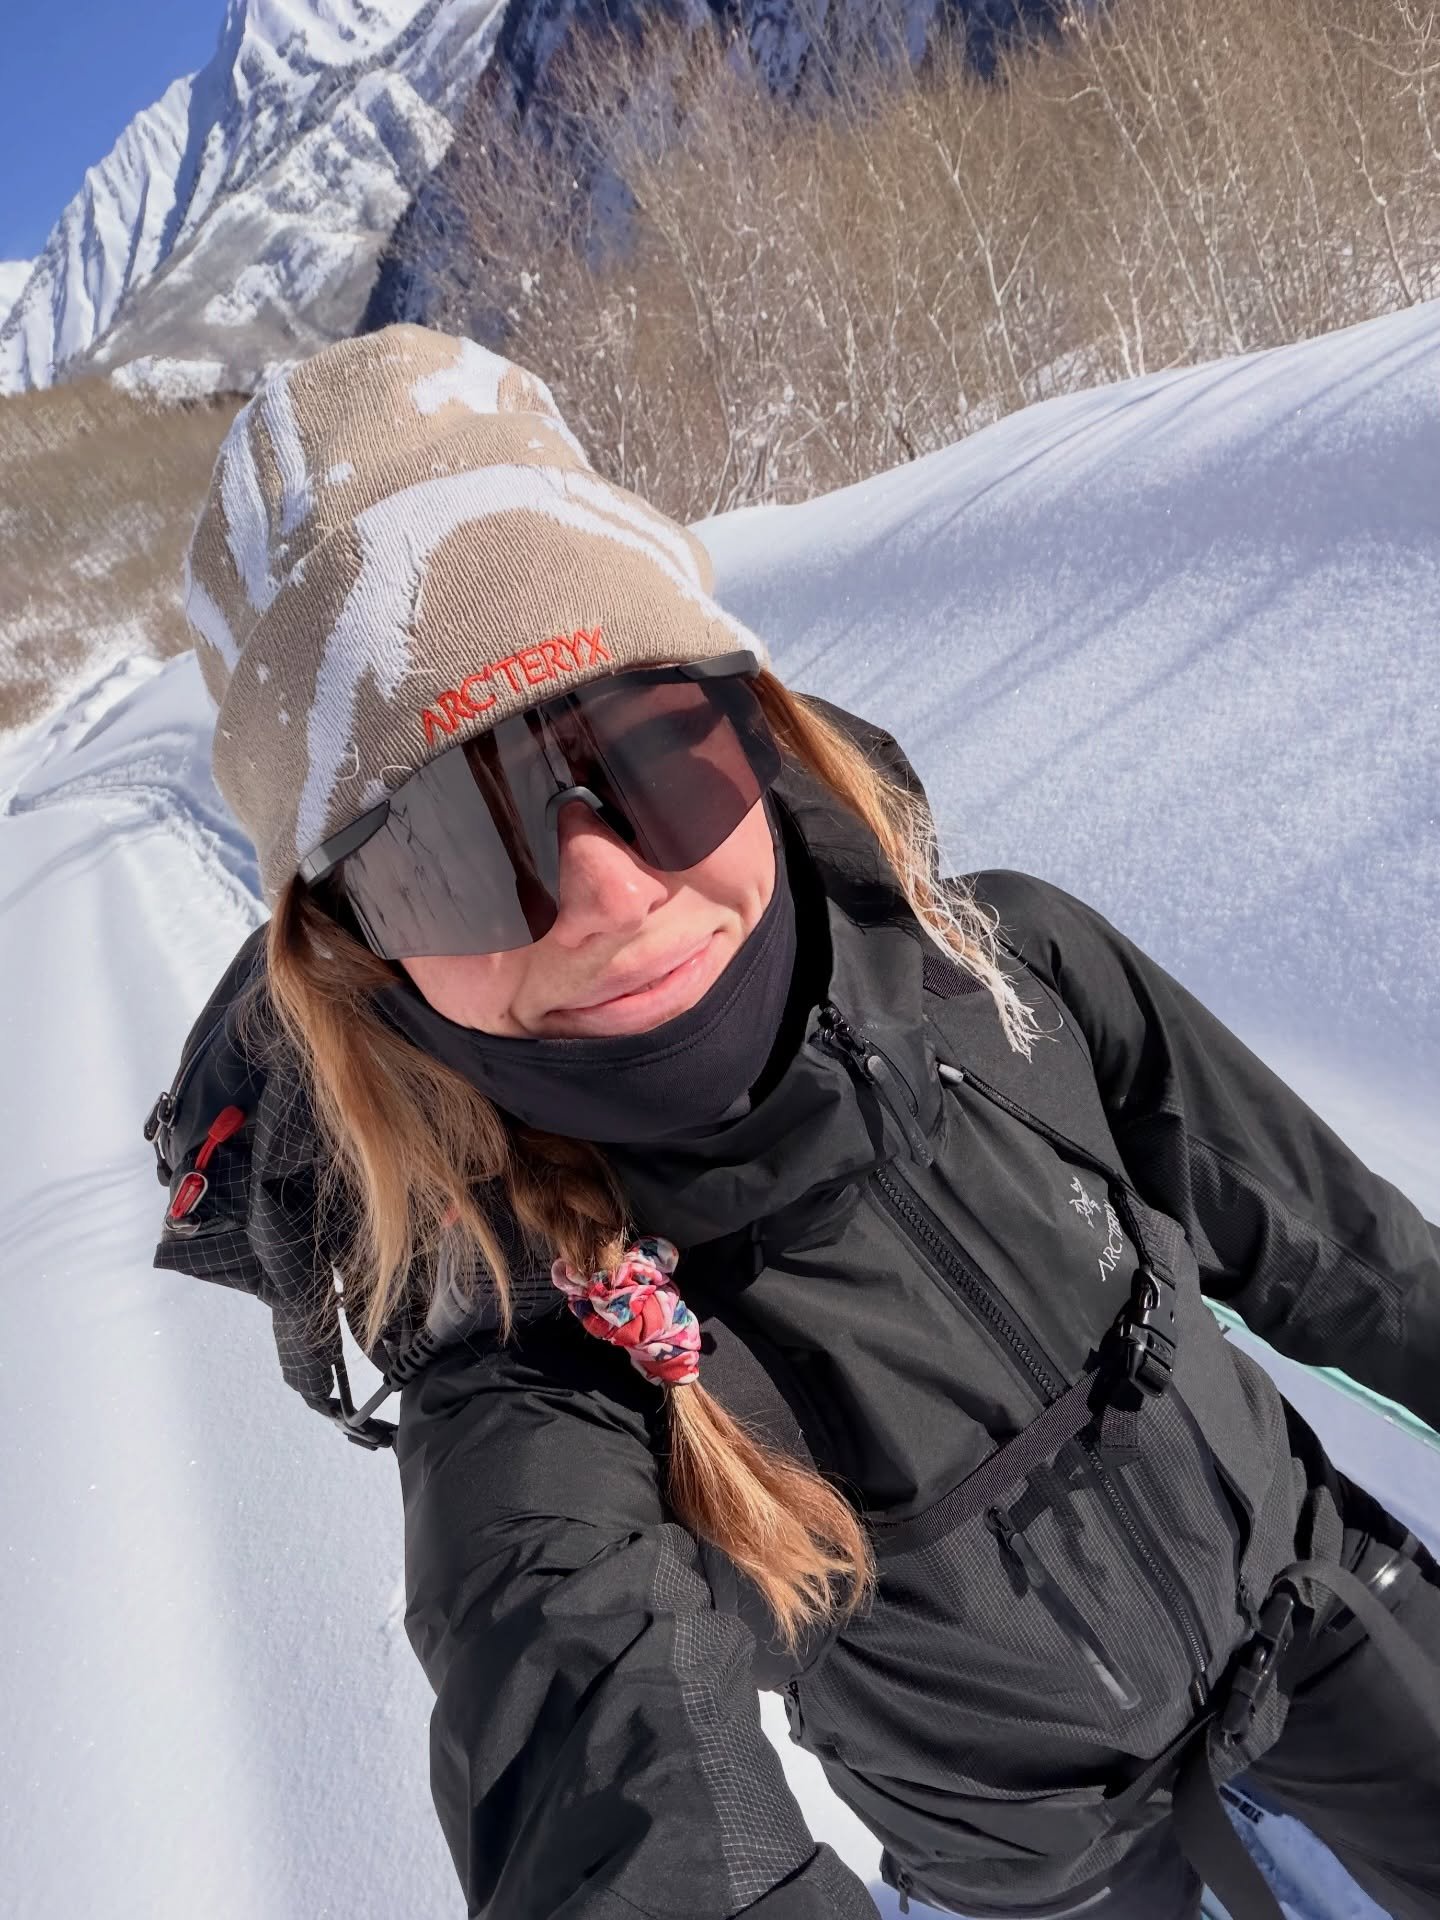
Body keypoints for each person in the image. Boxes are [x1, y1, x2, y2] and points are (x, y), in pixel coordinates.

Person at [167, 322, 1440, 1920]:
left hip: (1316, 1602)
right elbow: (605, 1778)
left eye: (647, 756)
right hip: (1013, 1843)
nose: (610, 894)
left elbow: (1358, 1266)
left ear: (755, 729)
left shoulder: (1015, 973)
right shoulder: (535, 1361)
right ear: (357, 945)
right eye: (446, 843)